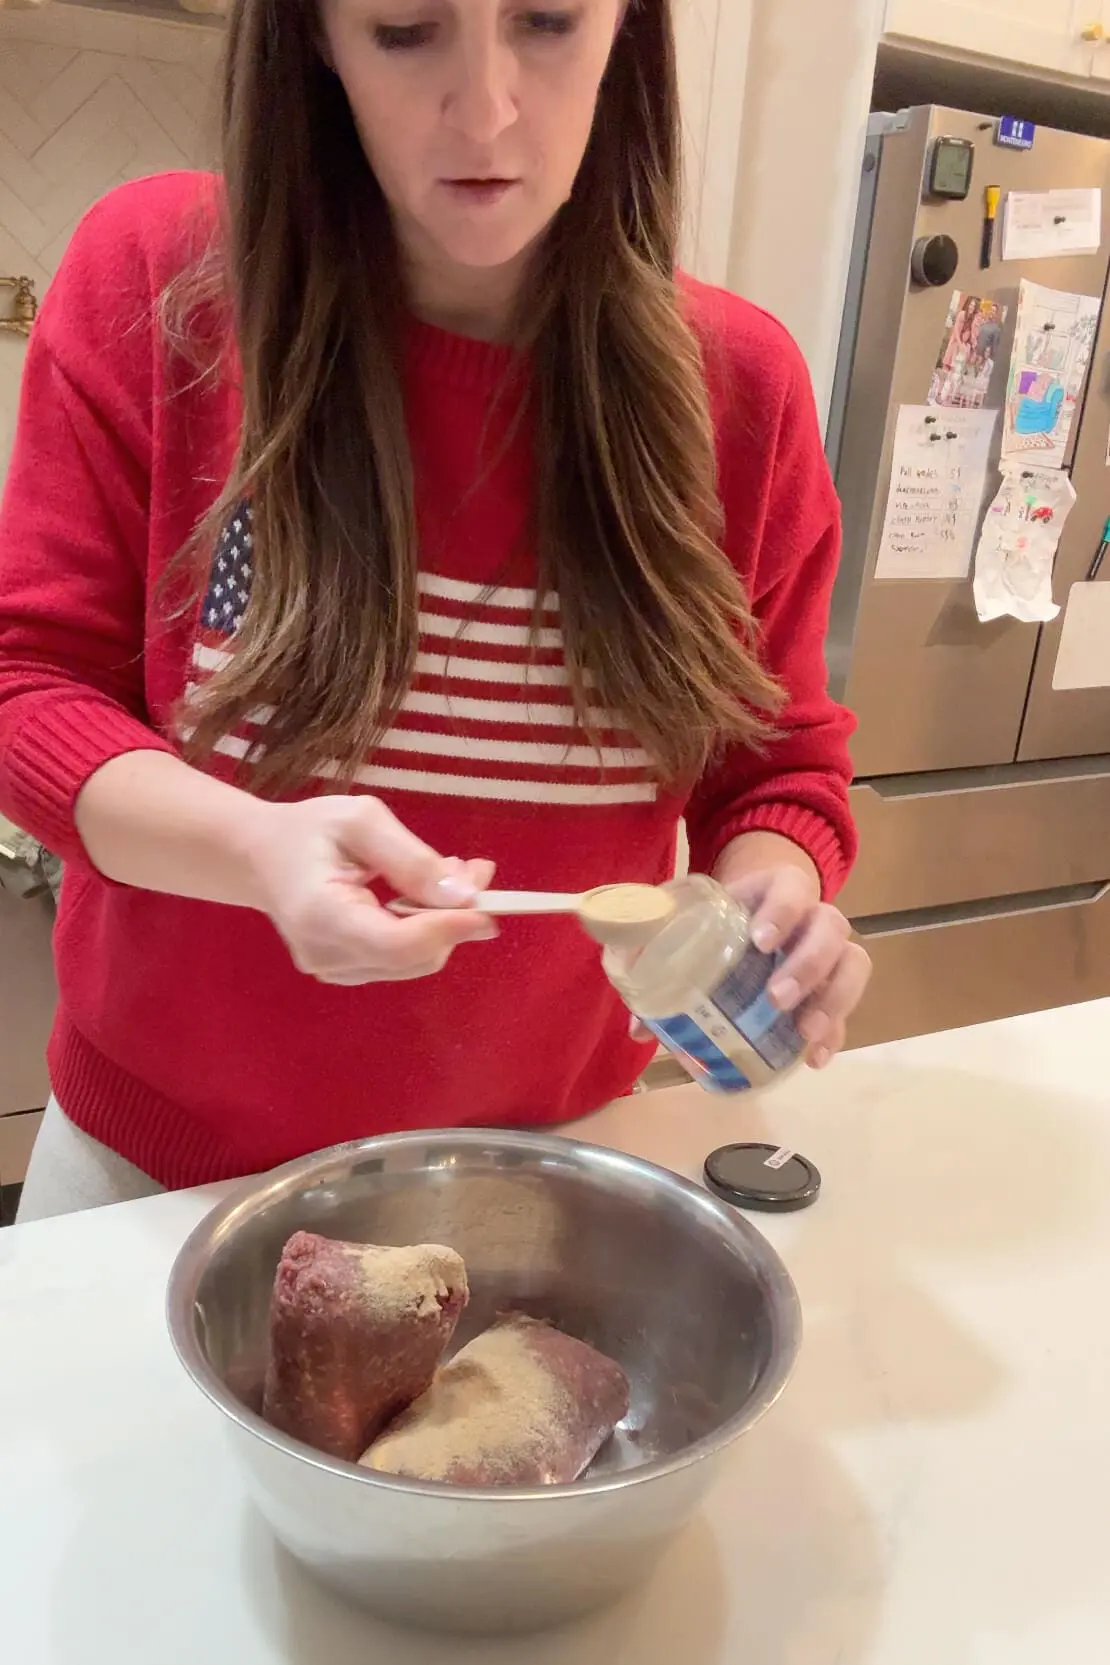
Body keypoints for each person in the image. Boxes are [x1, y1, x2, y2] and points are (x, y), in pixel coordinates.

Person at [0, 0, 870, 1222]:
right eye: (406, 30)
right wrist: (257, 850)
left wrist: (776, 891)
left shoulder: (738, 391)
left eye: (549, 23)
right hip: (155, 1185)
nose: (488, 109)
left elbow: (777, 766)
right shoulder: (162, 280)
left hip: (536, 1179)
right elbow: (28, 686)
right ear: (315, 39)